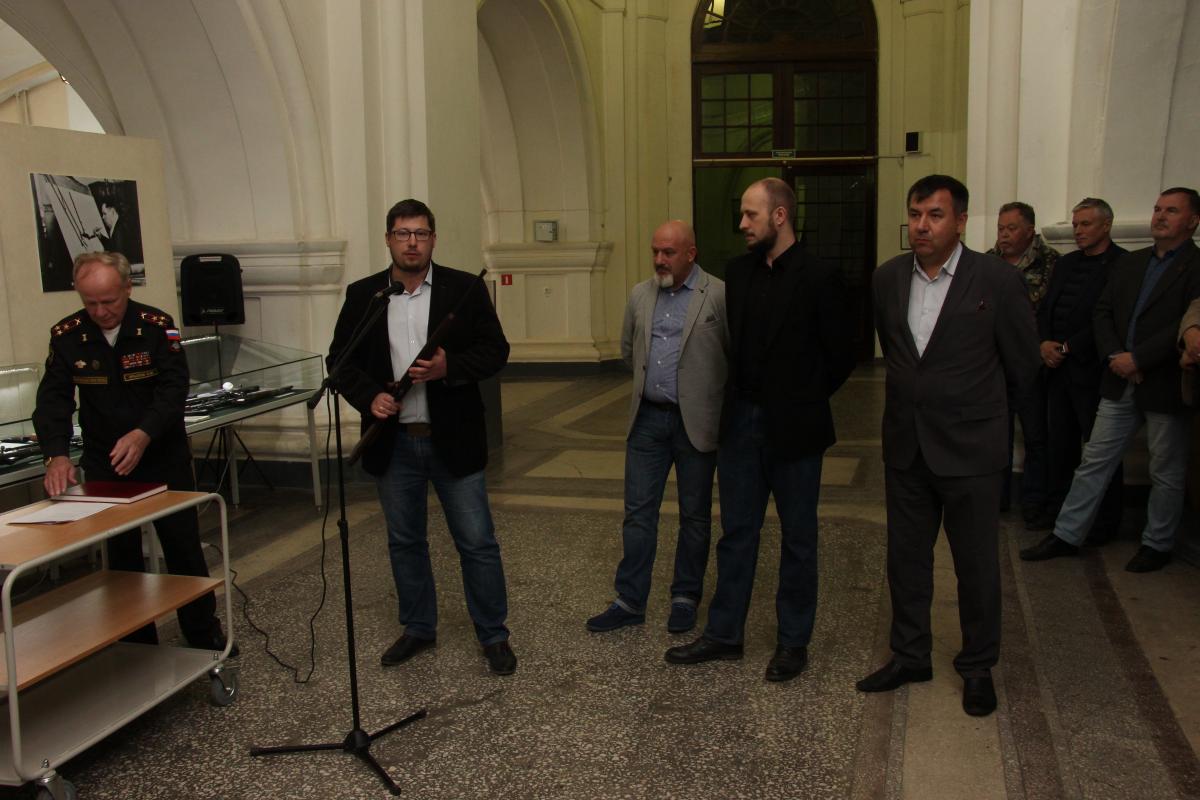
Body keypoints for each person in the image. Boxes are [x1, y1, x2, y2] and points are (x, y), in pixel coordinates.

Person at [859, 175, 1040, 717]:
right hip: (906, 447)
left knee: (976, 565)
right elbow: (897, 353)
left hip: (972, 451)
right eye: (915, 214)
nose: (922, 225)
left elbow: (1023, 366)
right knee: (906, 560)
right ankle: (910, 654)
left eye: (935, 215)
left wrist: (986, 420)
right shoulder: (888, 278)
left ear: (960, 221)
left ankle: (978, 666)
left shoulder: (997, 280)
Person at [665, 178, 855, 683]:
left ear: (780, 216)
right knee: (737, 533)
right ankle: (725, 633)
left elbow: (842, 354)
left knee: (798, 538)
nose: (742, 224)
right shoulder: (739, 273)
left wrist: (802, 396)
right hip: (742, 422)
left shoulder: (821, 276)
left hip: (796, 425)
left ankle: (793, 642)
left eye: (751, 214)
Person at [326, 198, 516, 675]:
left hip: (453, 438)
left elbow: (496, 351)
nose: (412, 242)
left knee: (477, 542)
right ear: (388, 240)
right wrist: (370, 397)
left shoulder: (464, 289)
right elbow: (340, 362)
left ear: (433, 239)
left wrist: (451, 367)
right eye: (403, 234)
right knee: (405, 541)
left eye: (421, 233)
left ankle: (493, 634)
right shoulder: (365, 295)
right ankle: (418, 627)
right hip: (395, 444)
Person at [33, 251, 232, 652]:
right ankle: (137, 644)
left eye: (109, 301)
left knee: (182, 548)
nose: (100, 311)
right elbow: (53, 400)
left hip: (162, 456)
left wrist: (143, 434)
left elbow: (173, 389)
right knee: (122, 558)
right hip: (106, 462)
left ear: (127, 287)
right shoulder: (68, 335)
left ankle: (203, 634)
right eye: (90, 302)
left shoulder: (156, 327)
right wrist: (56, 455)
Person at [1020, 187, 1200, 573]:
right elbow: (1103, 312)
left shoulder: (1196, 267)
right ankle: (1067, 534)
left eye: (1171, 210)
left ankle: (1157, 543)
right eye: (1157, 208)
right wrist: (1116, 354)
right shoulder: (1132, 263)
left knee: (1165, 469)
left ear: (1193, 221)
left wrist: (1140, 358)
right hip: (1118, 377)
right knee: (1094, 460)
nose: (1159, 216)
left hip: (1163, 380)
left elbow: (1184, 322)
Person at [585, 221, 728, 635]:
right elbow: (629, 350)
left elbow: (729, 355)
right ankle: (630, 599)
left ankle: (685, 597)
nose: (660, 260)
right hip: (647, 419)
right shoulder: (640, 294)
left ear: (691, 254)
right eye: (655, 252)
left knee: (694, 516)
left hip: (695, 421)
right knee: (638, 514)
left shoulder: (717, 295)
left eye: (669, 252)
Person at [1035, 198, 1126, 539]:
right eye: (1075, 224)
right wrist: (1044, 343)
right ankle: (1057, 511)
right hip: (1057, 370)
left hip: (1091, 372)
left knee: (1100, 450)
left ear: (1106, 225)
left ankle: (1104, 521)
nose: (1078, 231)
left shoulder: (1122, 264)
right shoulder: (1066, 263)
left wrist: (1069, 347)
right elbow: (1047, 307)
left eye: (1086, 224)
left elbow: (1106, 317)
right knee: (1060, 444)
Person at [989, 202, 1059, 522]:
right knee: (995, 436)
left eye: (1011, 228)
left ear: (1030, 231)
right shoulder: (987, 263)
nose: (1004, 235)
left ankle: (1033, 502)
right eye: (1001, 228)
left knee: (1036, 436)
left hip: (1033, 365)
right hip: (995, 366)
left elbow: (1055, 311)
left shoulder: (1052, 263)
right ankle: (997, 498)